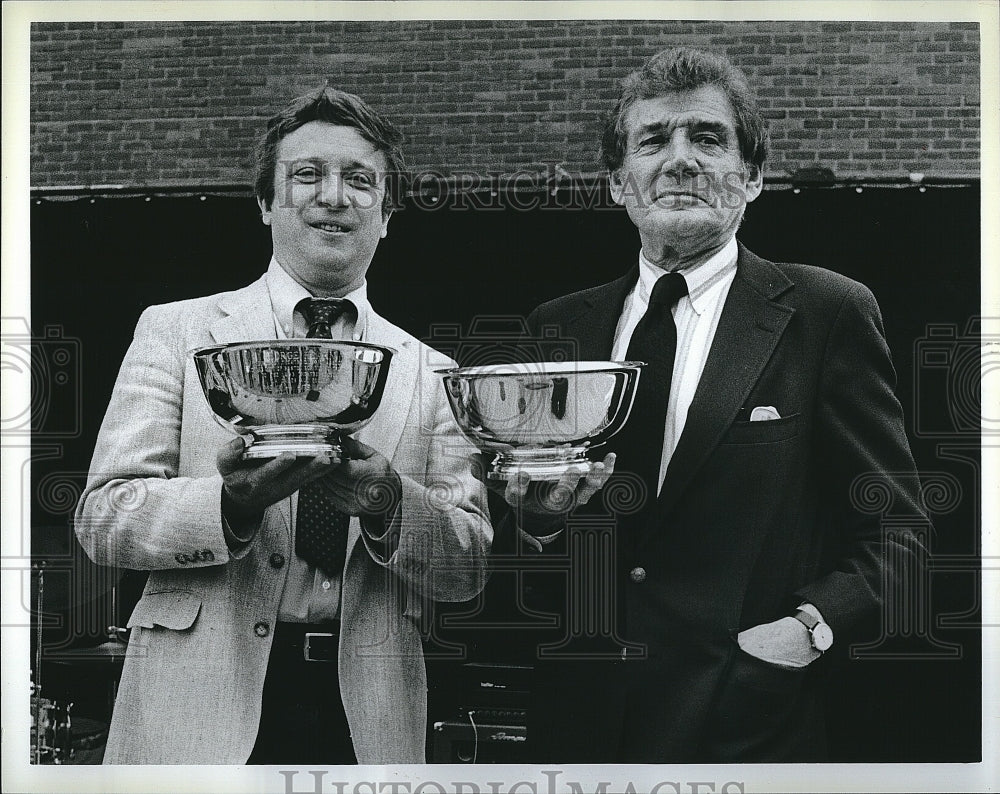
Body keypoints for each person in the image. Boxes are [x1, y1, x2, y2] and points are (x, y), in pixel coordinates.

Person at [493, 47, 927, 762]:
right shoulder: (558, 328)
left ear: (751, 177)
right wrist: (537, 525)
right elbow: (529, 551)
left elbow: (899, 533)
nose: (680, 159)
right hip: (583, 725)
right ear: (617, 183)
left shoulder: (825, 313)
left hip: (751, 725)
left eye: (707, 137)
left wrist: (811, 627)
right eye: (653, 139)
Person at [74, 86, 492, 765]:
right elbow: (103, 519)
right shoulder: (176, 332)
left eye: (361, 181)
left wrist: (388, 501)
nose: (335, 196)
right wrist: (229, 503)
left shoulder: (431, 372)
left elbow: (466, 565)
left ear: (386, 214)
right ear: (266, 203)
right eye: (307, 175)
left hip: (365, 718)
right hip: (196, 712)